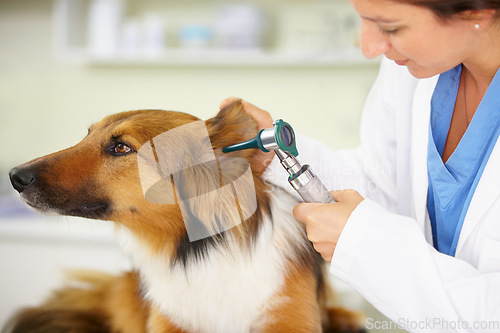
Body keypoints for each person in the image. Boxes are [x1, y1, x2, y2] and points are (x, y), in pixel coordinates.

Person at [221, 0, 500, 332]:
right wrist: (276, 160)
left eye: (391, 27)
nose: (369, 48)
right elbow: (381, 180)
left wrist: (364, 246)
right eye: (364, 20)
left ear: (478, 12)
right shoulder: (411, 70)